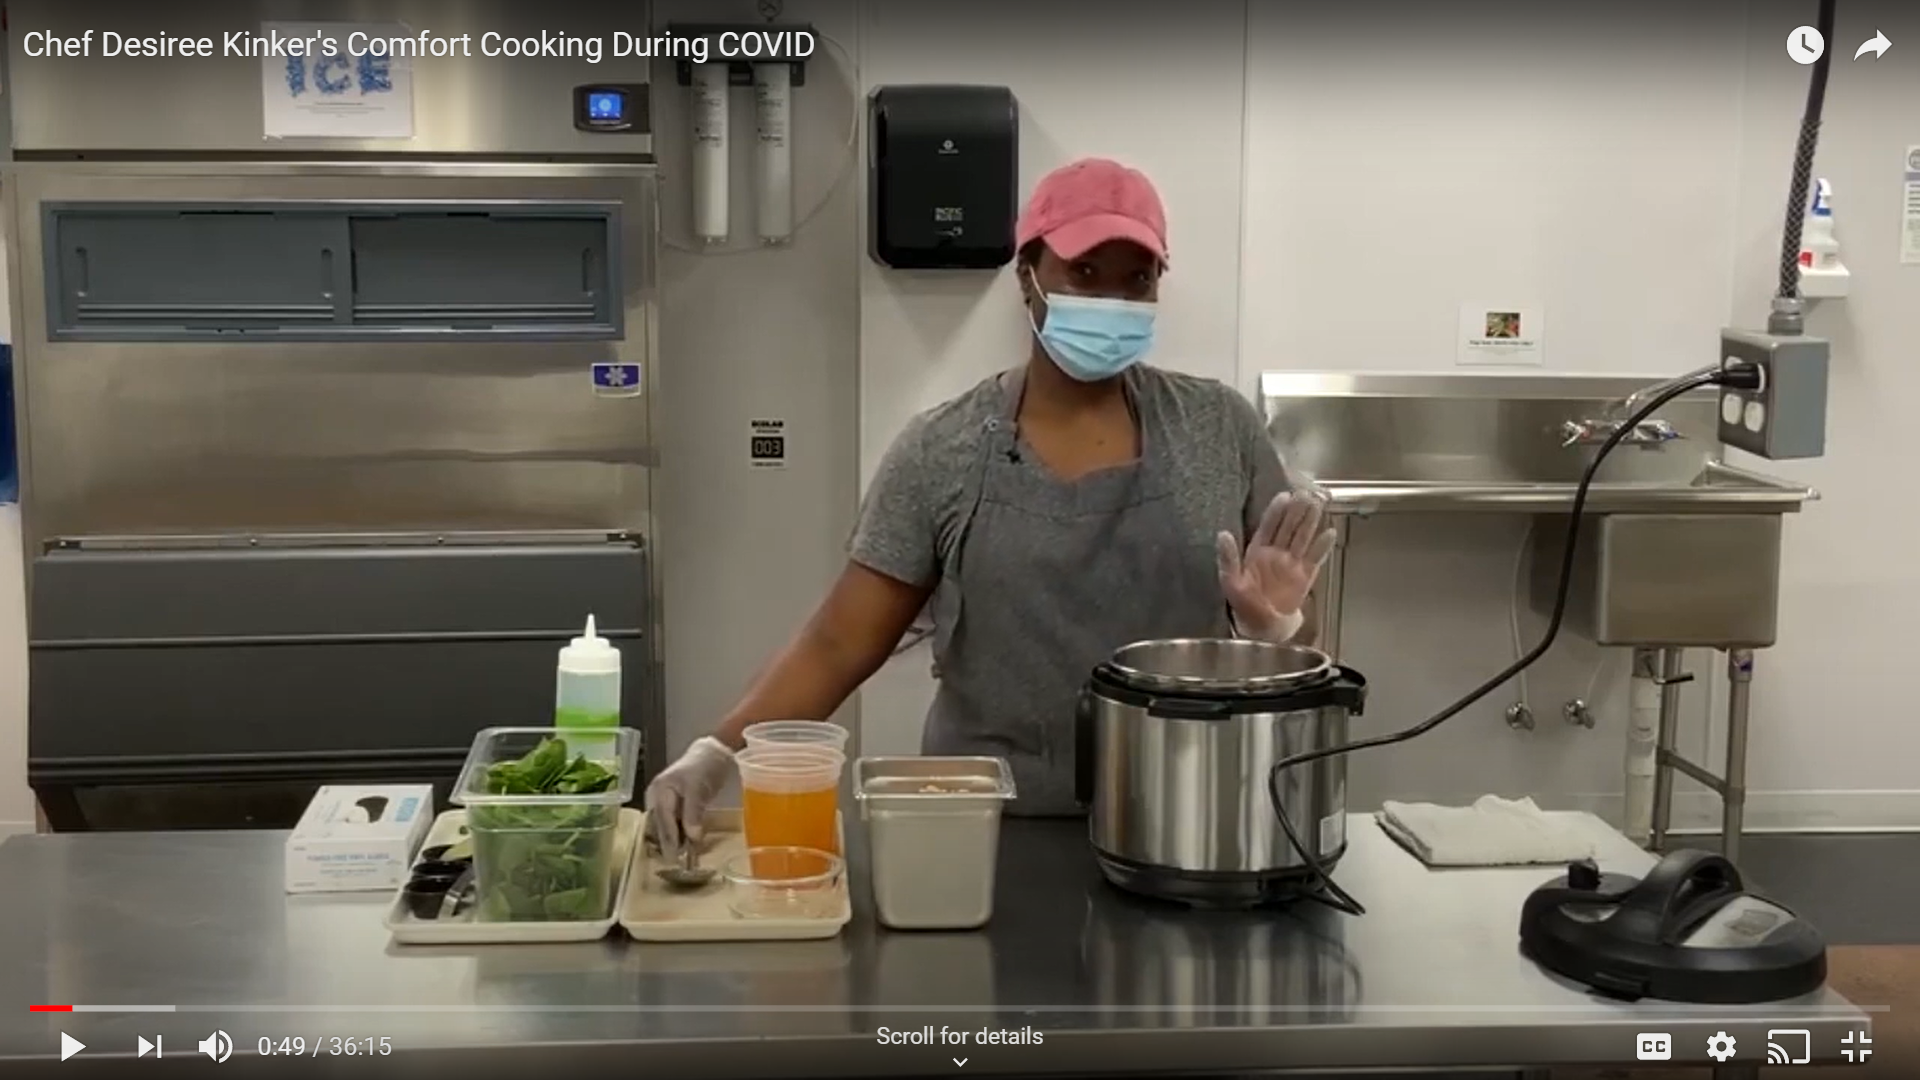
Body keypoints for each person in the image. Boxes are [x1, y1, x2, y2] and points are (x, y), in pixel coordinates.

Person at [646, 157, 1336, 846]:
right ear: (1027, 278)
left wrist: (1276, 633)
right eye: (1086, 273)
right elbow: (837, 644)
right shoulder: (941, 450)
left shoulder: (1218, 429)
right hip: (981, 830)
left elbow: (1297, 650)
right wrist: (714, 755)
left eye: (1138, 278)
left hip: (1187, 818)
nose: (1113, 300)